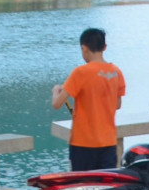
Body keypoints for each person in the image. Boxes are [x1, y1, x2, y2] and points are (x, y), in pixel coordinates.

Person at [52, 27, 125, 170]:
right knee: (106, 186)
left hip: (83, 144)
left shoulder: (80, 72)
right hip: (108, 142)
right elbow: (117, 105)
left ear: (84, 48)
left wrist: (56, 91)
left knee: (82, 186)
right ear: (104, 47)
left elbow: (57, 103)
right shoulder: (116, 72)